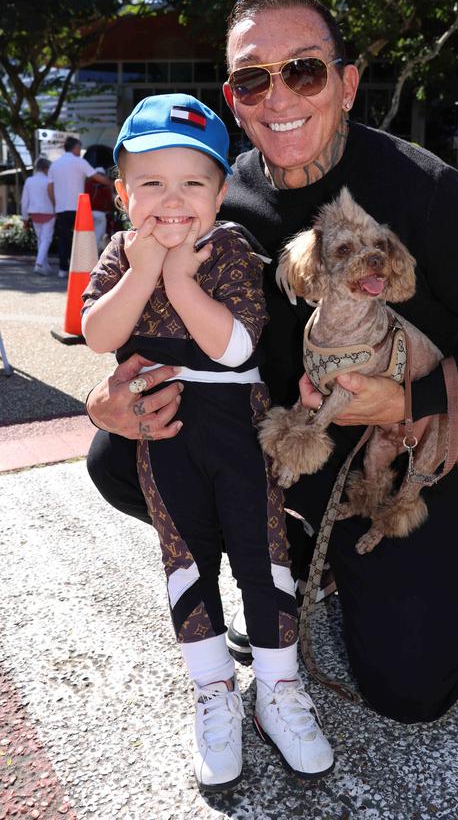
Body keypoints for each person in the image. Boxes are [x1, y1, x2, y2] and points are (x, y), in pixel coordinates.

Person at [86, 0, 458, 729]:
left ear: (346, 82)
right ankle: (284, 545)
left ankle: (411, 568)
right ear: (234, 98)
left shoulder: (423, 188)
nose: (279, 96)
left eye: (303, 70)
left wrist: (412, 400)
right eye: (253, 78)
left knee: (411, 694)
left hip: (397, 447)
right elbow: (146, 315)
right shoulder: (214, 197)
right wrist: (105, 398)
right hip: (273, 439)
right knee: (117, 458)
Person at [81, 93, 334, 790]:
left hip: (237, 427)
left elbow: (235, 347)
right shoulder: (119, 252)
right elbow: (98, 335)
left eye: (194, 182)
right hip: (164, 433)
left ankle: (280, 689)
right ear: (124, 191)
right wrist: (142, 271)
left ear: (222, 191)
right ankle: (212, 688)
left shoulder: (227, 247)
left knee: (263, 551)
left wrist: (178, 279)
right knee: (184, 555)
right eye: (152, 182)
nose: (173, 200)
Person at [47, 135, 112, 278]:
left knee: (64, 238)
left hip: (61, 207)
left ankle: (62, 269)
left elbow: (50, 188)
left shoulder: (54, 164)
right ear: (75, 148)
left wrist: (54, 205)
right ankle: (80, 269)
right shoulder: (79, 162)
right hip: (78, 208)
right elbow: (97, 177)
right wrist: (112, 183)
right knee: (81, 238)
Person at [20, 157, 55, 275]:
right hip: (49, 212)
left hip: (34, 213)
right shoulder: (49, 181)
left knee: (41, 239)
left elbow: (24, 201)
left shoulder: (29, 181)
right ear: (46, 168)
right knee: (46, 239)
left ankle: (44, 265)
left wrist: (25, 218)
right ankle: (39, 264)